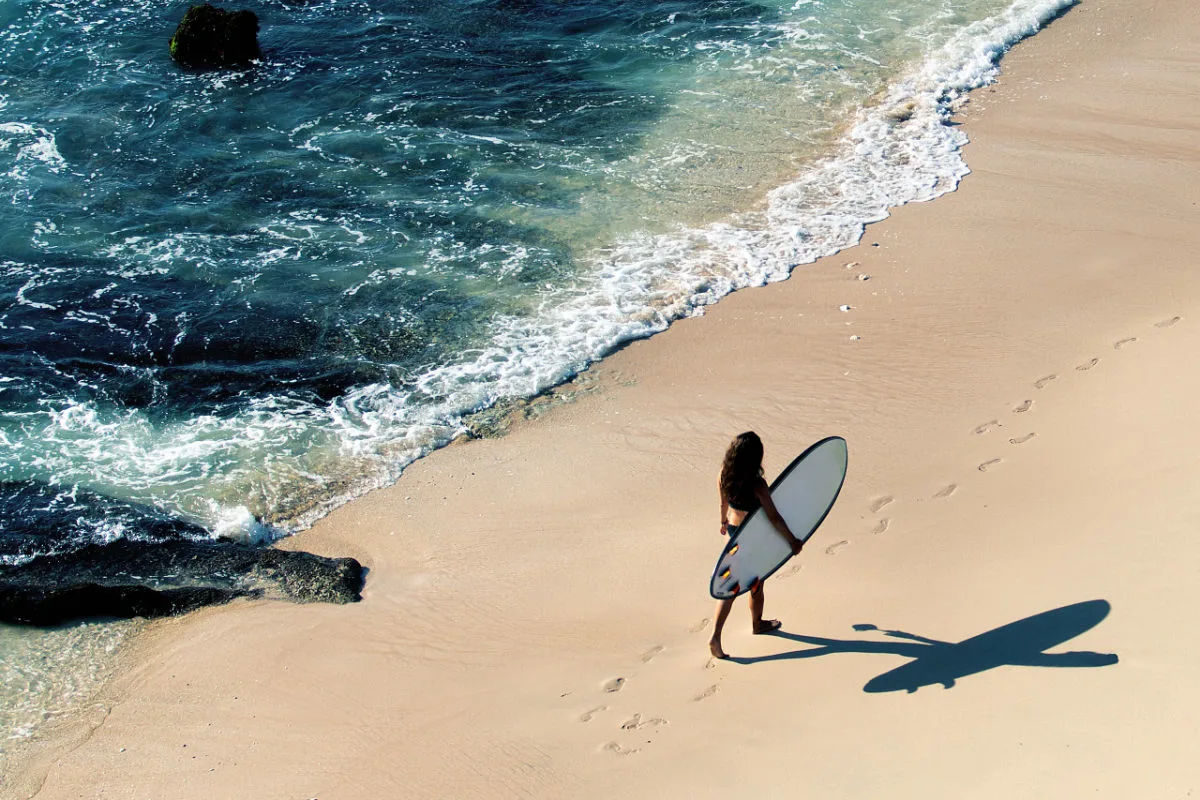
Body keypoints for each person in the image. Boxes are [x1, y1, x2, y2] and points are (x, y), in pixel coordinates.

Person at [709, 431, 803, 659]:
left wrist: (722, 521)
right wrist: (792, 541)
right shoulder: (757, 485)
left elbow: (723, 503)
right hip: (751, 541)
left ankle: (730, 631)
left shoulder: (724, 474)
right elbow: (774, 518)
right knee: (752, 585)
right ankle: (748, 627)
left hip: (732, 535)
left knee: (734, 585)